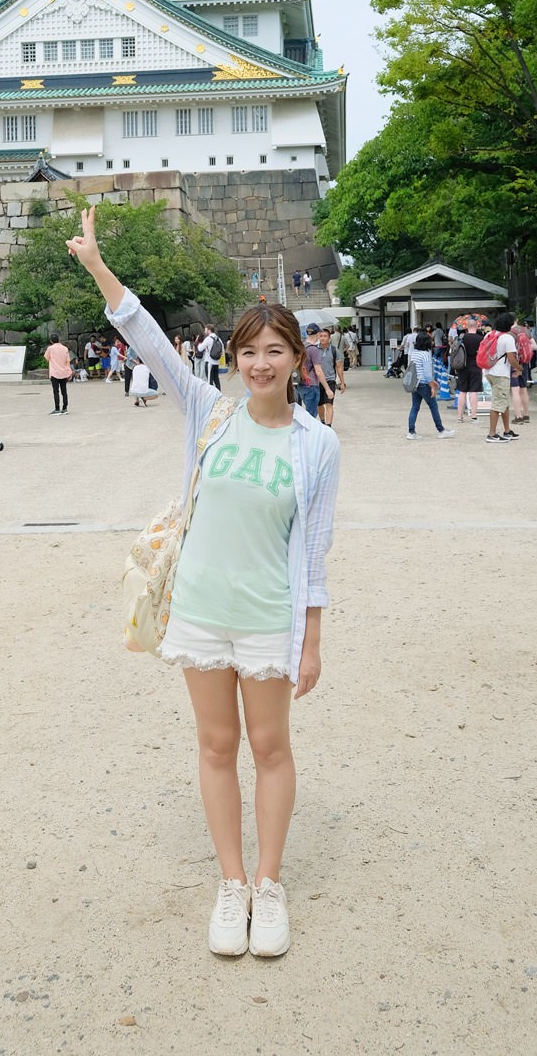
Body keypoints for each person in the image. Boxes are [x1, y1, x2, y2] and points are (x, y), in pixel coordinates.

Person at [67, 205, 339, 960]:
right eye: (250, 351)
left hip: (266, 618)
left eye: (275, 351)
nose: (260, 364)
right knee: (216, 746)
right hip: (201, 611)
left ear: (296, 361)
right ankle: (231, 887)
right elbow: (144, 335)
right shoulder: (208, 414)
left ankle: (270, 884)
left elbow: (315, 552)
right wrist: (96, 264)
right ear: (235, 358)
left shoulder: (318, 446)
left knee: (271, 747)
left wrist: (311, 641)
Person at [406, 330, 455, 440]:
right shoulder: (426, 354)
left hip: (415, 384)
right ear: (427, 342)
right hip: (424, 384)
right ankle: (441, 430)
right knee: (433, 406)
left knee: (415, 407)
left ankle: (411, 432)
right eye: (431, 340)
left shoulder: (414, 353)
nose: (432, 342)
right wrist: (432, 386)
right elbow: (428, 374)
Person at [484, 312, 521, 444]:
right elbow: (511, 358)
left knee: (503, 401)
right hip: (500, 374)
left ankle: (507, 430)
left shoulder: (490, 334)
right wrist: (519, 368)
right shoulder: (507, 338)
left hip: (489, 370)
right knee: (498, 403)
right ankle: (492, 434)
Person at [299, 324, 333, 422]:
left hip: (301, 384)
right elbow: (318, 371)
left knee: (305, 412)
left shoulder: (302, 346)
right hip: (312, 384)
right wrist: (327, 389)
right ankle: (307, 435)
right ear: (317, 334)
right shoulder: (314, 349)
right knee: (311, 415)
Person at [453, 316, 484, 423]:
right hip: (476, 366)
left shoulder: (461, 338)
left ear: (466, 327)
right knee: (473, 392)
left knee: (462, 391)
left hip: (462, 367)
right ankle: (473, 416)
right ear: (477, 326)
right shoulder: (481, 339)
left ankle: (459, 417)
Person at [316, 329, 346, 426]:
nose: (323, 338)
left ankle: (328, 425)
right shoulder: (314, 350)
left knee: (329, 404)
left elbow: (339, 367)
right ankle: (322, 422)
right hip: (317, 381)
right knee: (319, 405)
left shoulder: (334, 350)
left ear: (329, 338)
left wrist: (342, 382)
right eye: (321, 336)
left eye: (325, 336)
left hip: (330, 380)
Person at [44, 332, 73, 415]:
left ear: (51, 341)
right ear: (58, 340)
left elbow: (46, 358)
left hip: (55, 372)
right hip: (64, 372)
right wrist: (69, 372)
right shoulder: (65, 348)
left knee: (56, 391)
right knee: (64, 391)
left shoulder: (50, 348)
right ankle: (65, 408)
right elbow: (68, 360)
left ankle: (57, 409)